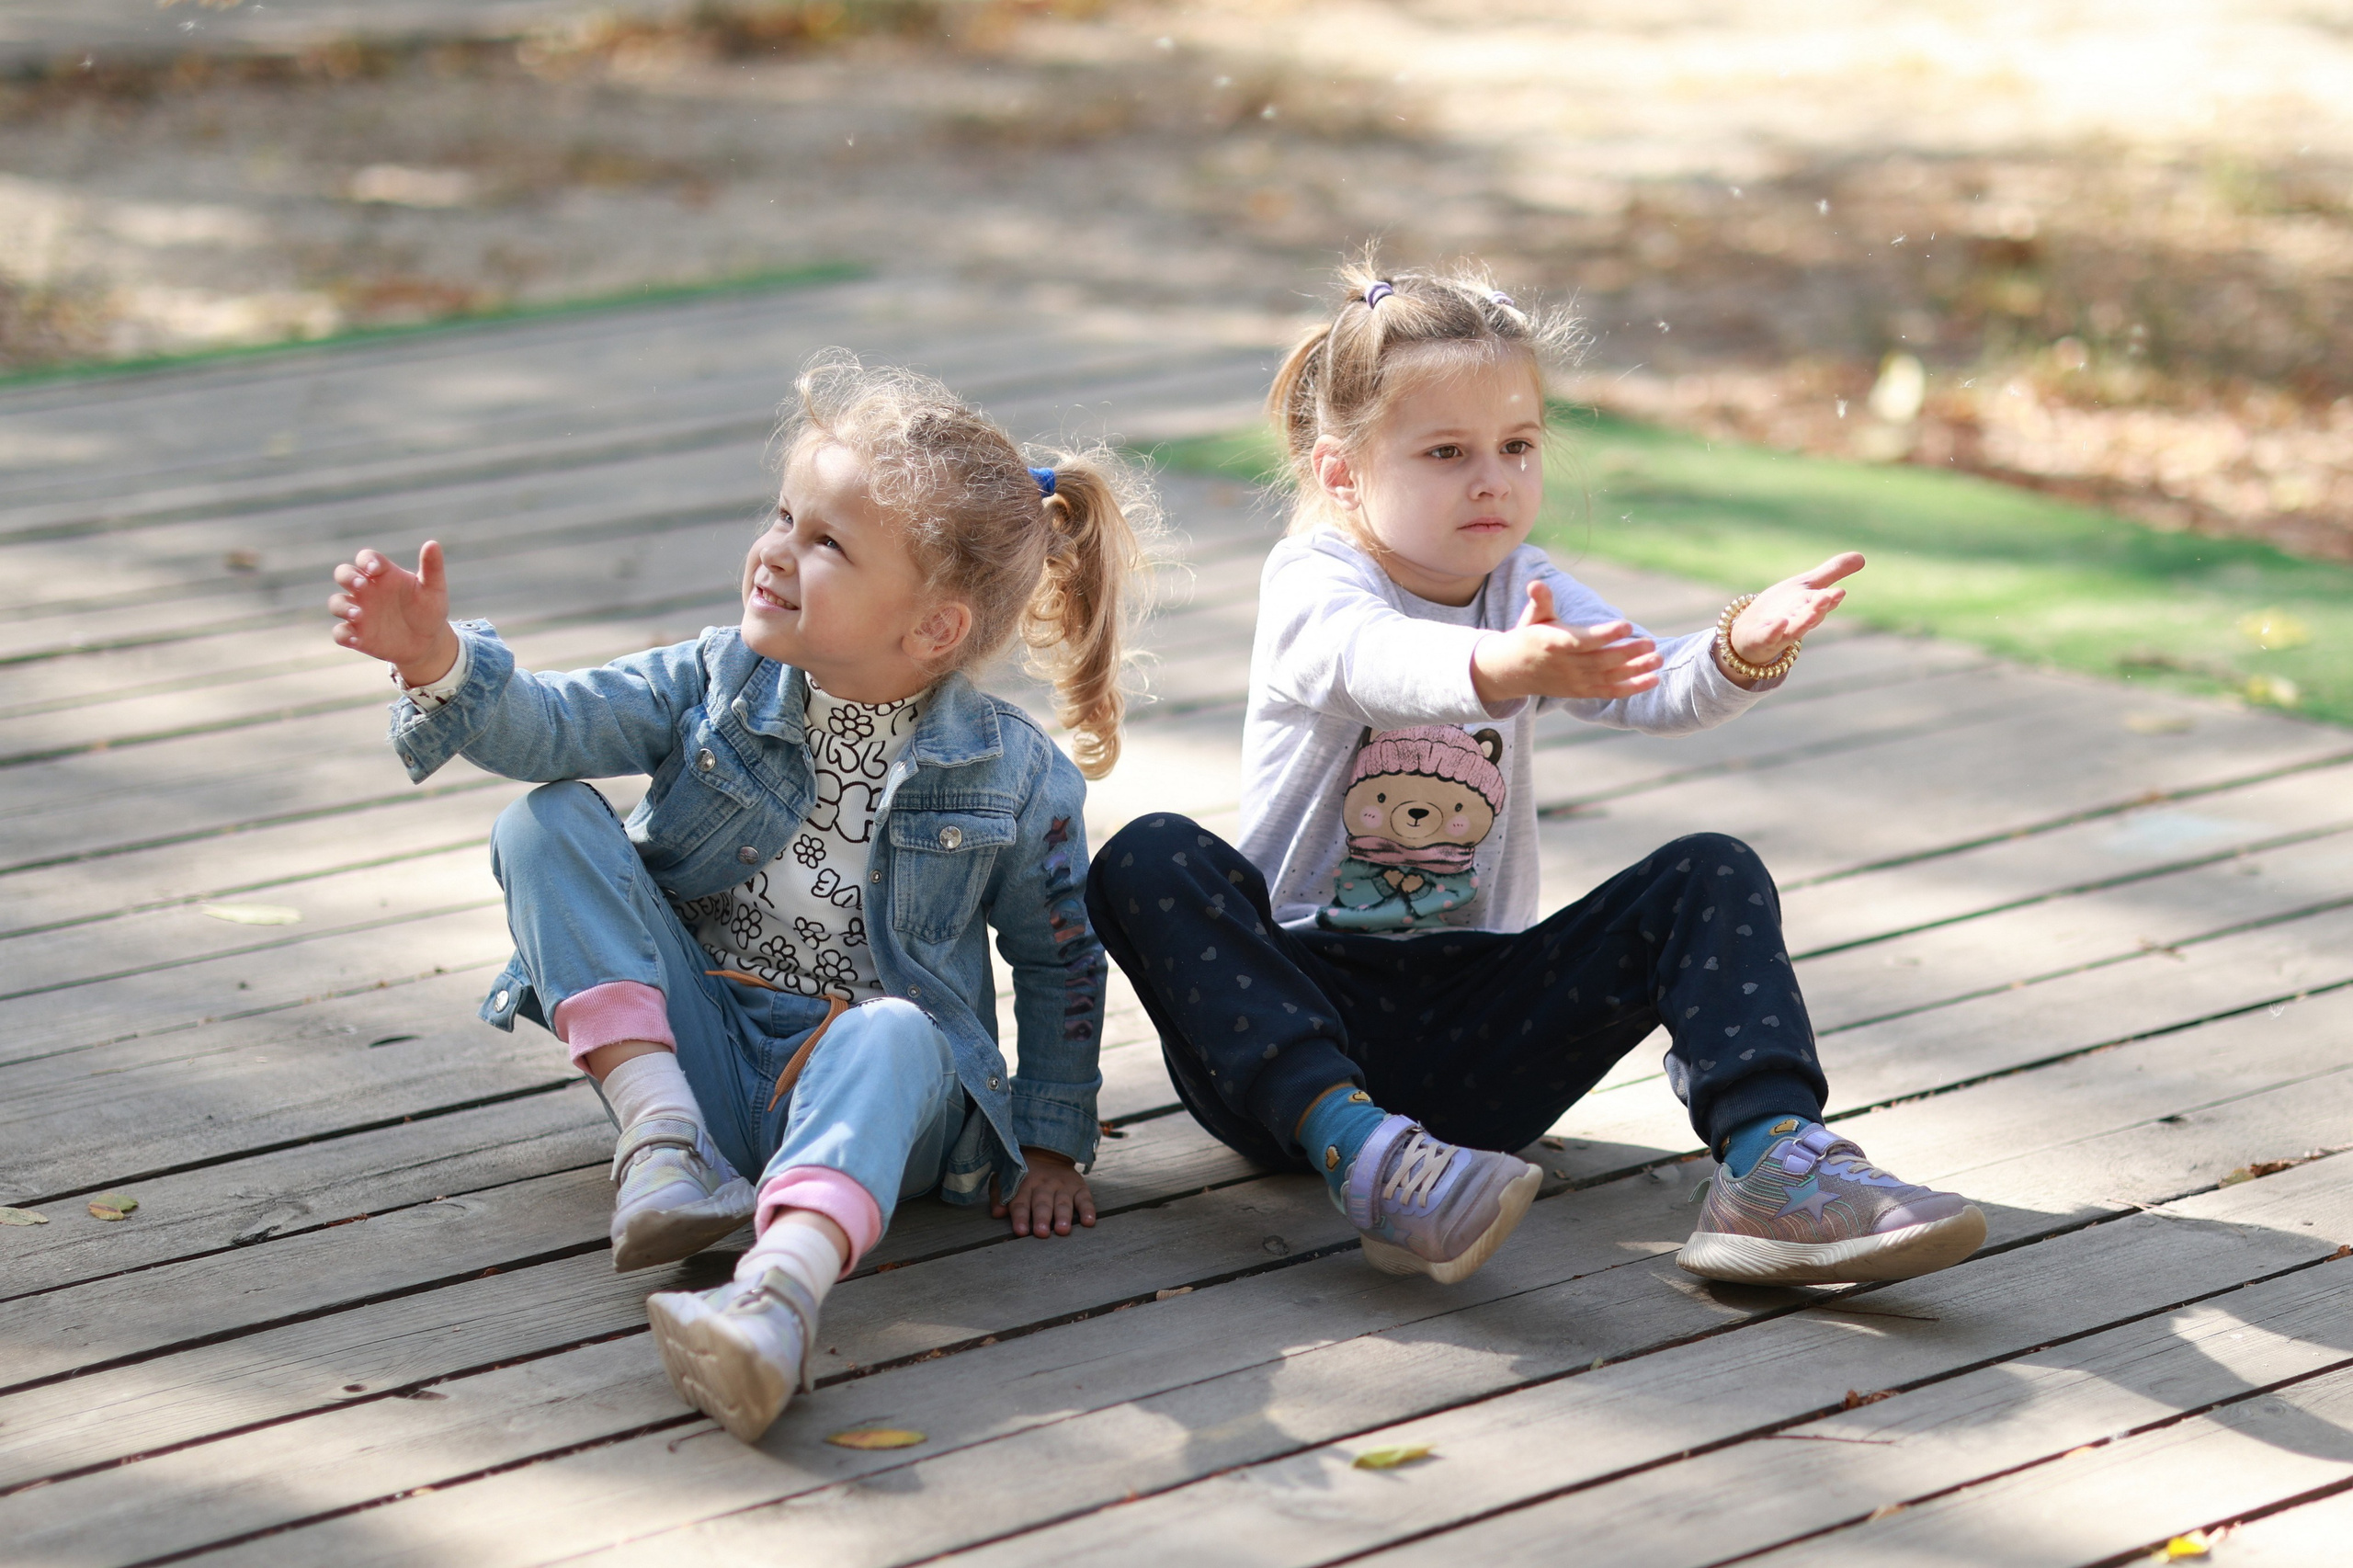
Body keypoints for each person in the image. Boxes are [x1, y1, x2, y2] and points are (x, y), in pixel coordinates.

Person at [1086, 260, 1984, 1290]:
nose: (1492, 479)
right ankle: (1368, 1155)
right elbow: (1372, 659)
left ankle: (1772, 1165)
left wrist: (1739, 648)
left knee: (1708, 870)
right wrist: (1495, 666)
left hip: (1478, 1026)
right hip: (1287, 1031)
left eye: (1516, 447)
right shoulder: (1315, 575)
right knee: (1149, 854)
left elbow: (1656, 686)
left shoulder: (1525, 584)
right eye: (1446, 452)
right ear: (1342, 474)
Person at [328, 352, 1150, 1442]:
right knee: (546, 819)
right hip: (703, 1048)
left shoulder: (1012, 773)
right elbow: (550, 726)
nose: (776, 551)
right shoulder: (716, 678)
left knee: (901, 1030)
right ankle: (662, 1141)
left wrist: (1050, 1140)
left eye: (827, 544)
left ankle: (775, 1298)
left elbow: (1056, 958)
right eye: (782, 515)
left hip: (871, 1098)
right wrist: (435, 660)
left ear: (933, 629)